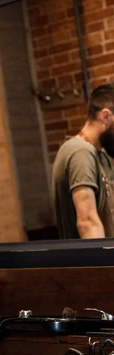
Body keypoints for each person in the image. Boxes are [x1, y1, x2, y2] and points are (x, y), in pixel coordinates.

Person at [53, 83, 114, 239]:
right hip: (100, 262)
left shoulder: (101, 156)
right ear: (105, 117)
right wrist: (103, 263)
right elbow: (87, 222)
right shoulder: (80, 152)